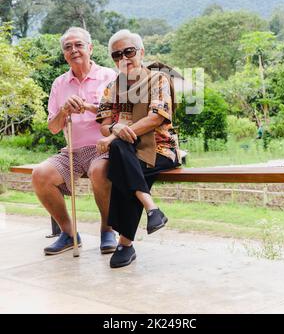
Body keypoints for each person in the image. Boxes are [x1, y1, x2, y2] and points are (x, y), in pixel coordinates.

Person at [96, 29, 181, 268]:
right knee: (122, 150)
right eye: (117, 55)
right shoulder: (112, 87)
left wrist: (116, 134)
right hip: (129, 152)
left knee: (121, 161)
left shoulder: (158, 79)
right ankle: (151, 208)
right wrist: (114, 129)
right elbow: (104, 125)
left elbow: (156, 117)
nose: (124, 58)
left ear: (141, 52)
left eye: (129, 52)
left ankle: (125, 243)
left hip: (161, 149)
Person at [32, 27, 117, 256]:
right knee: (40, 174)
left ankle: (108, 229)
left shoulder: (109, 76)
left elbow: (121, 115)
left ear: (90, 48)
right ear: (64, 54)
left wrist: (89, 106)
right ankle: (69, 233)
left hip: (103, 147)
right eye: (68, 47)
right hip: (72, 151)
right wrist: (64, 110)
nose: (73, 50)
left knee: (99, 170)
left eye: (78, 45)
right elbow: (53, 127)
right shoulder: (59, 84)